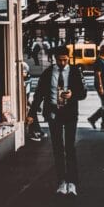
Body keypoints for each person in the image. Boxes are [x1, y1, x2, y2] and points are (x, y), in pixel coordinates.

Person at [27, 45, 87, 195]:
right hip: (53, 113)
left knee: (70, 147)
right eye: (59, 60)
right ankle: (61, 181)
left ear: (68, 58)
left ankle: (72, 182)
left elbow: (83, 93)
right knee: (58, 148)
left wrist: (72, 94)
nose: (62, 63)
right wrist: (32, 113)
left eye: (65, 60)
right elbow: (39, 94)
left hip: (70, 113)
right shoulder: (47, 73)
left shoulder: (74, 72)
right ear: (55, 59)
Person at [88, 43, 104, 131]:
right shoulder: (99, 61)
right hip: (102, 86)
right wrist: (100, 87)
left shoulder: (103, 60)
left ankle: (93, 119)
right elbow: (97, 75)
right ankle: (103, 124)